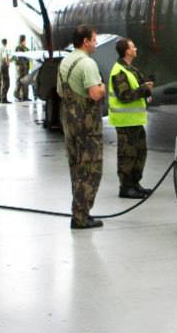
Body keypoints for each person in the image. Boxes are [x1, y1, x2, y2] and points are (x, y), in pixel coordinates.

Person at [57, 25, 106, 230]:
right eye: (94, 40)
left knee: (76, 169)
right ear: (85, 41)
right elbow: (95, 93)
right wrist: (103, 86)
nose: (96, 43)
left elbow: (60, 92)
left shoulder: (66, 61)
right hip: (88, 128)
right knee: (90, 170)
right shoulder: (88, 64)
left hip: (70, 123)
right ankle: (81, 216)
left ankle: (79, 212)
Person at [108, 37, 154, 199]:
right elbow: (124, 96)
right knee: (127, 154)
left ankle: (135, 183)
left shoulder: (131, 69)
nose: (135, 49)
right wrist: (144, 89)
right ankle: (126, 187)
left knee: (140, 152)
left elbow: (139, 87)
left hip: (135, 120)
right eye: (133, 47)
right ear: (127, 51)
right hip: (125, 122)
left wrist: (146, 89)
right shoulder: (119, 72)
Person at [14, 34, 31, 101]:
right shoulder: (18, 48)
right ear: (23, 40)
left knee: (25, 82)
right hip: (21, 68)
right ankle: (17, 95)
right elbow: (18, 58)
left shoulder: (25, 48)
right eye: (25, 40)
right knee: (19, 81)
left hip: (25, 67)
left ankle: (25, 96)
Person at [0, 38, 11, 103]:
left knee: (0, 82)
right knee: (6, 82)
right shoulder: (5, 49)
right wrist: (7, 63)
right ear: (6, 43)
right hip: (4, 66)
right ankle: (4, 98)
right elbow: (5, 57)